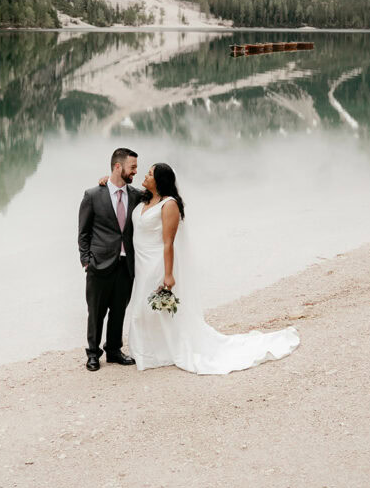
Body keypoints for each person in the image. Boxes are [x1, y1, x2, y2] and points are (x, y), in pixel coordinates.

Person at [128, 162, 300, 373]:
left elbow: (168, 242)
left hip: (157, 262)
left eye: (150, 173)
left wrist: (169, 274)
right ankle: (152, 351)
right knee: (141, 309)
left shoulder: (168, 204)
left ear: (160, 180)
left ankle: (162, 352)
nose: (145, 175)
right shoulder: (145, 198)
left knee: (152, 309)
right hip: (142, 263)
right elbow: (120, 190)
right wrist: (105, 181)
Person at [78, 148, 144, 371]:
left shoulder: (136, 195)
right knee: (96, 312)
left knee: (119, 310)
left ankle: (114, 350)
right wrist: (86, 260)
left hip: (126, 265)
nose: (136, 171)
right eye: (132, 167)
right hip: (99, 263)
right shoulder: (93, 195)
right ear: (118, 166)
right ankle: (93, 354)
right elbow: (84, 232)